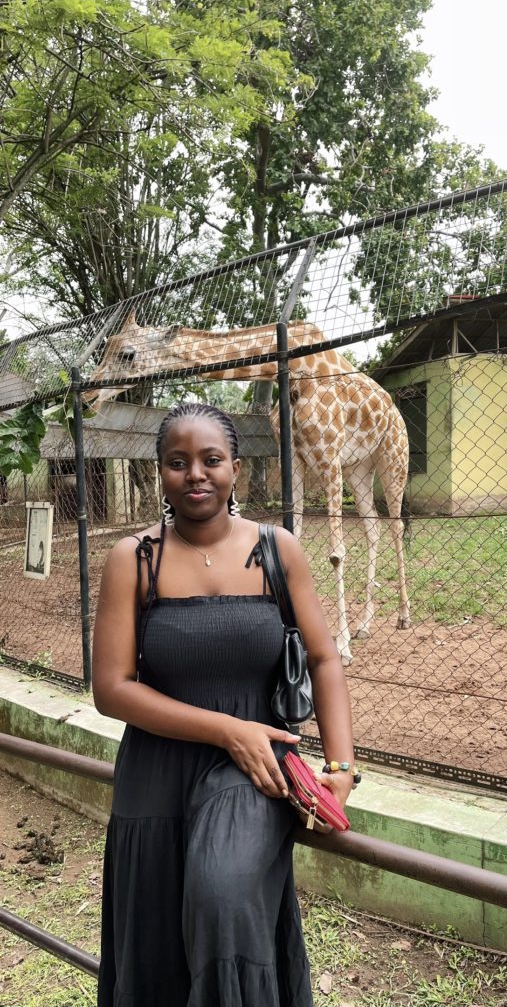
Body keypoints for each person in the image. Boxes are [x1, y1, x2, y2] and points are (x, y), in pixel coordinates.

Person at [92, 402, 356, 1006]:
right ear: (160, 473)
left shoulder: (277, 549)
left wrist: (339, 767)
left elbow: (324, 659)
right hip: (155, 771)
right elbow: (112, 689)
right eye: (178, 462)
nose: (196, 475)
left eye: (211, 460)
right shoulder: (134, 559)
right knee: (154, 934)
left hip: (254, 770)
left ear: (236, 467)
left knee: (224, 895)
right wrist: (225, 729)